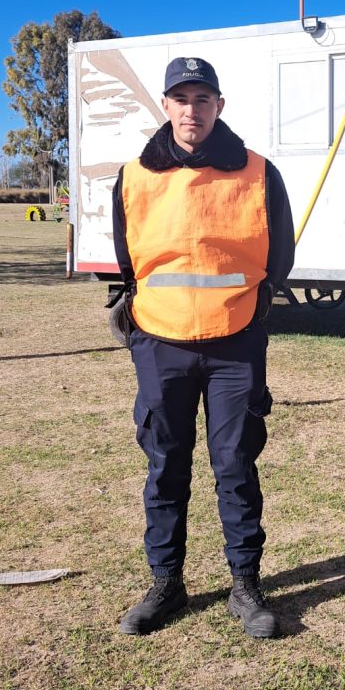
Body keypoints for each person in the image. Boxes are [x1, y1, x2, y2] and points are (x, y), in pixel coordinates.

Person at [111, 56, 294, 637]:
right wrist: (143, 325)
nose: (193, 110)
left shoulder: (258, 171)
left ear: (220, 105)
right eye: (181, 99)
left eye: (203, 98)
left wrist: (249, 311)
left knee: (235, 465)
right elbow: (126, 257)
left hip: (235, 344)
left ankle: (245, 583)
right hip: (160, 343)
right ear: (165, 107)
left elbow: (280, 255)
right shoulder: (135, 174)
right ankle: (166, 581)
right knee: (165, 464)